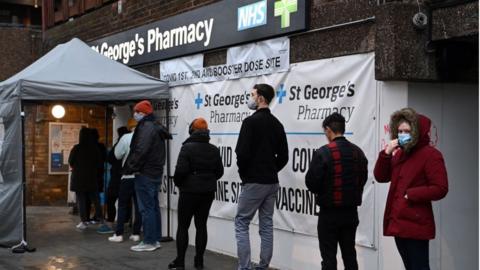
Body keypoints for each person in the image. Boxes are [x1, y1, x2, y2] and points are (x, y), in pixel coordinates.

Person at [374, 108, 448, 270]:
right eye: (399, 131)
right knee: (409, 266)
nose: (401, 134)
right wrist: (386, 153)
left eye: (406, 131)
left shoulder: (431, 155)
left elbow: (440, 188)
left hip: (416, 223)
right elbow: (381, 177)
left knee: (419, 267)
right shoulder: (400, 154)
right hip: (399, 222)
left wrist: (411, 194)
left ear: (416, 132)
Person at [234, 83, 289, 270]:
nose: (249, 97)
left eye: (252, 94)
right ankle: (263, 266)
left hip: (254, 181)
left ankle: (244, 267)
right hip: (271, 182)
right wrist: (270, 169)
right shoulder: (277, 124)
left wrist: (246, 175)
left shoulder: (250, 122)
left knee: (241, 222)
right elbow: (284, 157)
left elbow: (241, 154)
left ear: (260, 98)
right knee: (266, 225)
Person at [305, 113, 368, 270]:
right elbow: (363, 179)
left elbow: (312, 183)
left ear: (328, 130)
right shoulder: (358, 153)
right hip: (351, 213)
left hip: (329, 214)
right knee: (349, 255)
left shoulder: (323, 153)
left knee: (328, 258)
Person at [168, 118, 224, 270]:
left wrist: (183, 184)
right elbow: (219, 172)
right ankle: (199, 261)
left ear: (192, 130)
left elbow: (179, 172)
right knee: (201, 226)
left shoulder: (187, 148)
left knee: (183, 226)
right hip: (207, 192)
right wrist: (207, 180)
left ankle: (180, 262)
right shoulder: (214, 149)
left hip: (189, 192)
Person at [123, 100, 172, 252]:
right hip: (155, 172)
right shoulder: (155, 127)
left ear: (142, 113)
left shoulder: (146, 127)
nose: (134, 114)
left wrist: (129, 168)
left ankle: (150, 241)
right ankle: (155, 238)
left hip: (145, 173)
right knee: (153, 206)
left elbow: (140, 150)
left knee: (147, 208)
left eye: (136, 112)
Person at [108, 119, 142, 243]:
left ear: (130, 127)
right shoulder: (146, 138)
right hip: (141, 177)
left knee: (122, 205)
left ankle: (119, 234)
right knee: (139, 206)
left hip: (127, 176)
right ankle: (136, 233)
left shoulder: (126, 138)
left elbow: (117, 155)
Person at [97, 126, 130, 234]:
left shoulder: (120, 143)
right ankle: (126, 221)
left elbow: (110, 158)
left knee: (111, 200)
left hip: (117, 176)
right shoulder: (133, 142)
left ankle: (111, 223)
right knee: (126, 202)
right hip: (128, 176)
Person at [68, 127, 101, 230]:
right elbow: (99, 162)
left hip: (79, 178)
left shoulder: (76, 148)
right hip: (91, 178)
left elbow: (71, 161)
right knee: (95, 199)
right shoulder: (95, 148)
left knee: (81, 200)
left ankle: (84, 221)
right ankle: (100, 218)